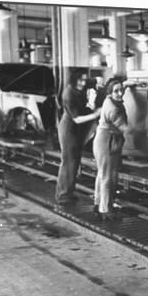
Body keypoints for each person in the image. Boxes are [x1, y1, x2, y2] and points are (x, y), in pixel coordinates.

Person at [55, 70, 101, 204]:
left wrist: (98, 81)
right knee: (69, 162)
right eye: (80, 81)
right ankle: (62, 195)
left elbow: (95, 80)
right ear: (74, 80)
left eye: (85, 80)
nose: (83, 83)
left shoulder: (80, 86)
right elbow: (76, 119)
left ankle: (68, 192)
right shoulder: (68, 94)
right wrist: (95, 114)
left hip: (77, 129)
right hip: (69, 128)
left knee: (74, 162)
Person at [92, 78, 128, 220]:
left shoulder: (108, 99)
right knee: (108, 176)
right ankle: (105, 210)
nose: (120, 93)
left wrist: (127, 84)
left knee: (102, 173)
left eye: (121, 90)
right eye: (116, 91)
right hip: (106, 141)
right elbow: (126, 129)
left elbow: (117, 87)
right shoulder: (113, 109)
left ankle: (98, 203)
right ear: (110, 92)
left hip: (103, 139)